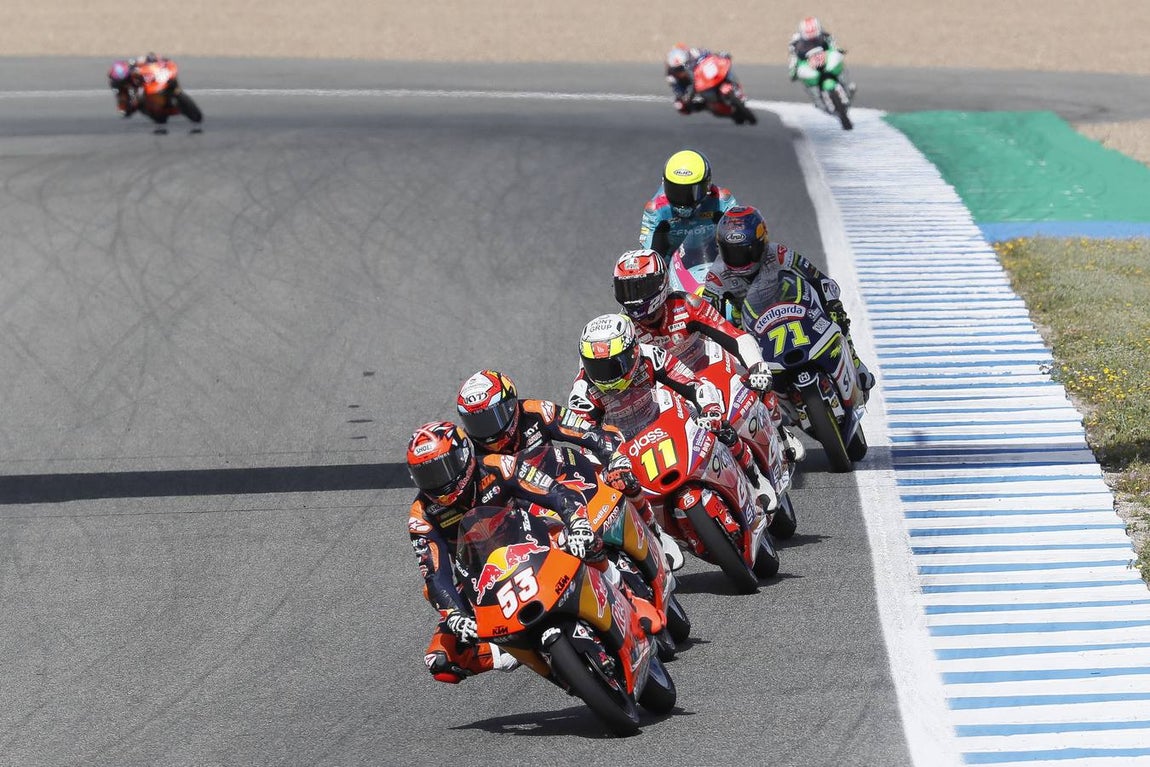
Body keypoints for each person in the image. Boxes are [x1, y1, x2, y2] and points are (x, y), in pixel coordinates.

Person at [406, 420, 596, 684]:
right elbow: (435, 577)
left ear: (463, 457)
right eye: (426, 475)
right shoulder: (422, 515)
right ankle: (512, 651)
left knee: (588, 542)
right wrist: (455, 616)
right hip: (482, 575)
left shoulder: (498, 466)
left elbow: (554, 492)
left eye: (441, 470)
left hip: (536, 536)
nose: (436, 483)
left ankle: (622, 586)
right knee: (440, 661)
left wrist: (577, 522)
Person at [455, 368, 686, 568]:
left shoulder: (537, 411)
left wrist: (613, 457)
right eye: (475, 422)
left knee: (622, 478)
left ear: (511, 404)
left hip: (566, 481)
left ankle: (654, 532)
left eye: (492, 418)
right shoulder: (469, 454)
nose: (486, 430)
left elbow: (586, 431)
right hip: (524, 511)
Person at [612, 248, 806, 465]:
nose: (634, 298)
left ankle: (779, 432)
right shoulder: (623, 330)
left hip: (705, 368)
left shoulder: (687, 305)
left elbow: (734, 336)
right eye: (627, 289)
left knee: (755, 384)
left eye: (640, 287)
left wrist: (757, 366)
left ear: (660, 283)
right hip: (668, 388)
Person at [568, 313, 776, 506]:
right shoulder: (581, 393)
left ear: (633, 352)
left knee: (718, 424)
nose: (606, 376)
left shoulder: (650, 356)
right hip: (625, 443)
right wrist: (607, 464)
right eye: (596, 367)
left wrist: (709, 408)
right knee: (616, 486)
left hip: (666, 416)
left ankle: (755, 478)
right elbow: (586, 440)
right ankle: (656, 537)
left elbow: (693, 383)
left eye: (613, 366)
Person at [703, 205, 875, 393]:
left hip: (792, 309)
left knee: (837, 316)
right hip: (750, 326)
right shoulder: (716, 275)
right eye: (731, 252)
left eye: (745, 251)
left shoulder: (778, 253)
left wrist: (832, 303)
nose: (739, 260)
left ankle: (855, 363)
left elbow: (818, 279)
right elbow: (709, 318)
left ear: (761, 243)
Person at [639, 149, 738, 267]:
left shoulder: (722, 200)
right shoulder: (655, 209)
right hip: (671, 263)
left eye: (691, 192)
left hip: (712, 259)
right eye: (675, 191)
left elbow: (740, 235)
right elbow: (647, 254)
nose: (682, 199)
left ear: (707, 185)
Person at [788, 17, 853, 93]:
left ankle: (845, 85)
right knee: (805, 78)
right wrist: (793, 69)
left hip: (825, 57)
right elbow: (793, 55)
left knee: (839, 64)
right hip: (808, 62)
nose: (812, 41)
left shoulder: (825, 35)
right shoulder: (795, 40)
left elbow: (833, 45)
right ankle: (815, 96)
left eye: (815, 39)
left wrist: (838, 50)